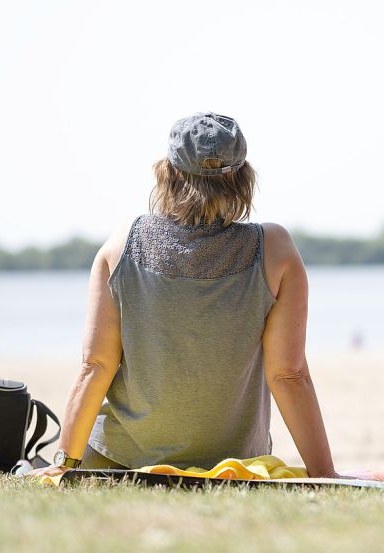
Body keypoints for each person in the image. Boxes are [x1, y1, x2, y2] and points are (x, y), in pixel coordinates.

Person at [30, 112, 338, 478]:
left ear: (168, 173)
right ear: (243, 177)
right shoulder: (274, 250)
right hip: (232, 466)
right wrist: (325, 475)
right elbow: (288, 375)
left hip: (119, 462)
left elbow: (95, 365)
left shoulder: (121, 245)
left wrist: (63, 464)